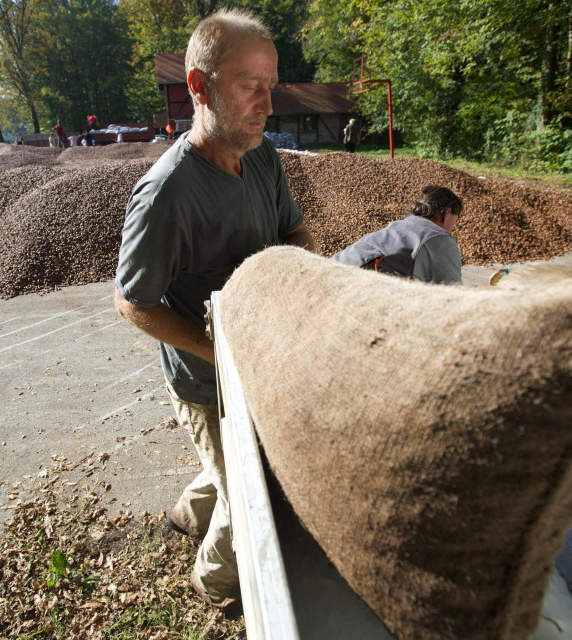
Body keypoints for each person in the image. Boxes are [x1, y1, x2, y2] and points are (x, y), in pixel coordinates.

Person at [114, 7, 316, 610]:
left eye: (271, 85)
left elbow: (295, 230)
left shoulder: (261, 156)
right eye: (250, 86)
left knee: (235, 457)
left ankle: (183, 513)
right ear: (199, 87)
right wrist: (223, 353)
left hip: (257, 358)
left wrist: (307, 278)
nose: (267, 103)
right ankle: (214, 582)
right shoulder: (167, 193)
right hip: (206, 380)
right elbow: (132, 303)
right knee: (245, 499)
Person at [332, 185, 463, 285]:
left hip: (330, 275)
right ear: (447, 213)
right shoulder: (439, 240)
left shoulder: (396, 227)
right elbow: (454, 296)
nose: (452, 228)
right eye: (455, 219)